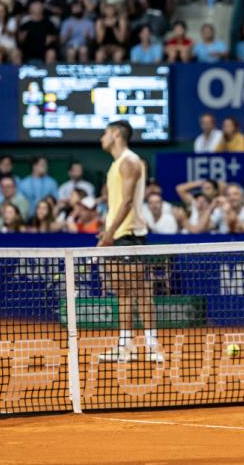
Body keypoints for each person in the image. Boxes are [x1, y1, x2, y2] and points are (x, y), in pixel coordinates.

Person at [97, 121, 163, 363]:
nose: (101, 138)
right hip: (117, 236)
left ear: (116, 134)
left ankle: (152, 347)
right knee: (122, 293)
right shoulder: (116, 164)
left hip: (130, 235)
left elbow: (126, 202)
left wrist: (110, 233)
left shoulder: (130, 161)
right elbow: (116, 205)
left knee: (142, 292)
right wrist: (108, 232)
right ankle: (125, 346)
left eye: (105, 133)